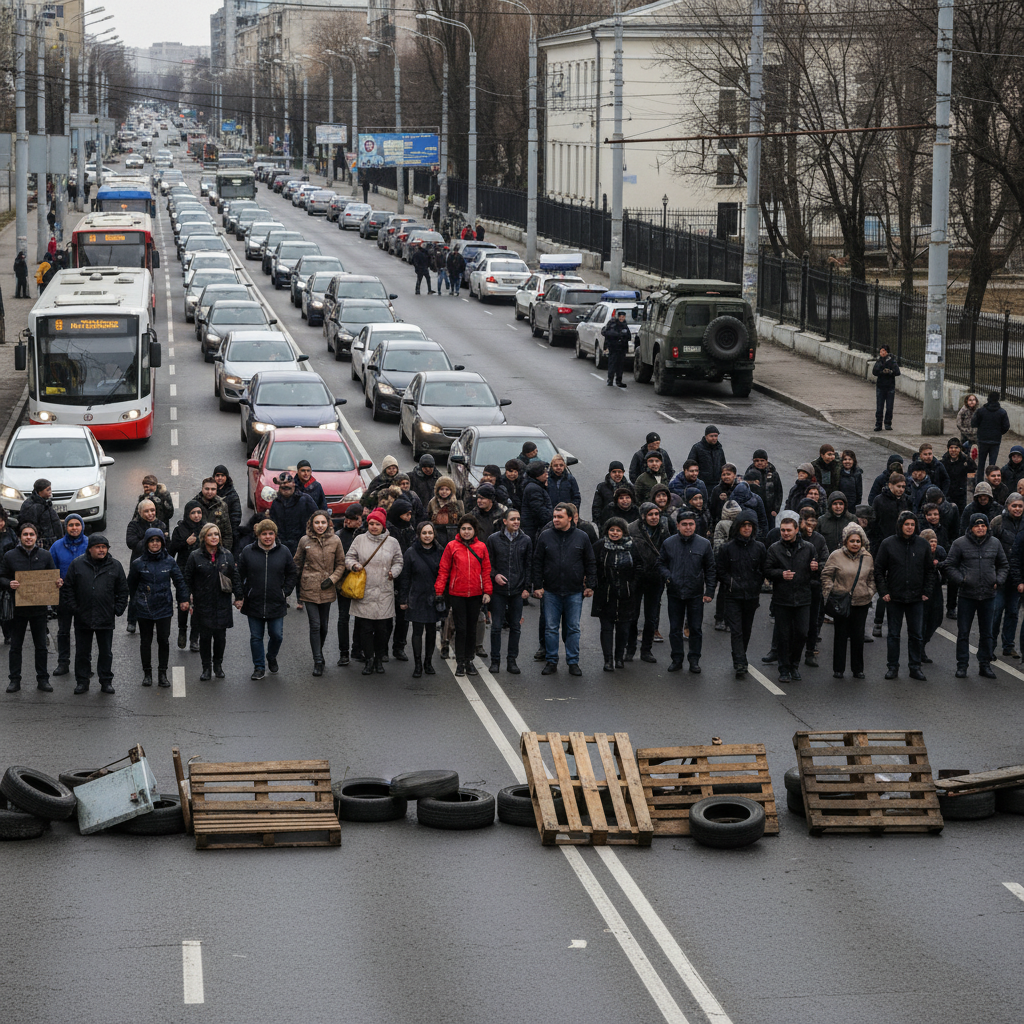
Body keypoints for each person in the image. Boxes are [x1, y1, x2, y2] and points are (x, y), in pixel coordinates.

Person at [533, 503, 596, 676]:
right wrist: (537, 586)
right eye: (554, 516)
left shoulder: (582, 537)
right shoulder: (545, 536)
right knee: (551, 627)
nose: (555, 520)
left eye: (559, 517)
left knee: (573, 628)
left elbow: (590, 561)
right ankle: (551, 661)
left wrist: (590, 584)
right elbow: (537, 562)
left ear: (570, 517)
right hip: (551, 591)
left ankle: (573, 662)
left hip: (574, 591)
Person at [944, 512, 1008, 678]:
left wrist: (998, 580)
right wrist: (962, 580)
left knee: (987, 633)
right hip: (967, 596)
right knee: (963, 632)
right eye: (977, 525)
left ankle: (984, 664)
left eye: (983, 525)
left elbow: (1003, 565)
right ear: (970, 527)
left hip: (988, 595)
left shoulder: (995, 543)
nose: (981, 528)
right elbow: (950, 566)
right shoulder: (959, 543)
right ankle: (962, 665)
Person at [873, 510, 935, 680]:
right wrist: (883, 592)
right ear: (900, 526)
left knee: (916, 634)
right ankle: (892, 667)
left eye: (912, 525)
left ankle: (915, 667)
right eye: (906, 524)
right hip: (894, 597)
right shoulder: (888, 544)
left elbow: (930, 571)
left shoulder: (922, 545)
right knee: (893, 635)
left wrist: (926, 592)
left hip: (916, 598)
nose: (909, 527)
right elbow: (878, 570)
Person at [1, 523, 62, 692]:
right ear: (20, 537)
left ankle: (43, 679)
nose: (28, 537)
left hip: (39, 609)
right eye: (25, 534)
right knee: (15, 647)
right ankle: (14, 680)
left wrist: (58, 582)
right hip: (18, 608)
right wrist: (8, 583)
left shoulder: (45, 555)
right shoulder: (10, 556)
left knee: (41, 646)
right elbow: (1, 577)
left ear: (36, 537)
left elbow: (53, 576)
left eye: (31, 534)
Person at [235, 519, 299, 680]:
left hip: (276, 602)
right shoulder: (248, 552)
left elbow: (292, 573)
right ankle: (259, 667)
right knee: (256, 637)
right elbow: (238, 575)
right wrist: (241, 595)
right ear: (258, 535)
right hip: (253, 602)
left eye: (271, 533)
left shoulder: (284, 551)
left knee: (277, 635)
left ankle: (271, 656)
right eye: (264, 534)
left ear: (275, 535)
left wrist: (285, 591)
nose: (267, 537)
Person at [345, 507, 404, 675]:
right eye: (371, 523)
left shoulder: (392, 542)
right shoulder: (359, 540)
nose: (374, 527)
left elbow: (399, 560)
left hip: (384, 590)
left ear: (383, 525)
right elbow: (349, 557)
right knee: (365, 629)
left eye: (377, 524)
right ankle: (369, 660)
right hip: (364, 590)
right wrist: (354, 565)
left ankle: (379, 659)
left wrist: (395, 572)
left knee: (382, 630)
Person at [127, 528, 188, 688]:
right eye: (152, 540)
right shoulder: (138, 563)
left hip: (164, 608)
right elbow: (130, 586)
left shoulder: (169, 561)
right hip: (144, 608)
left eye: (158, 540)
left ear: (162, 543)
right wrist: (134, 606)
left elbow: (179, 581)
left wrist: (183, 600)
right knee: (145, 641)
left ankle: (162, 674)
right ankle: (147, 674)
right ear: (147, 543)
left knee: (163, 640)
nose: (155, 543)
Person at [657, 510, 715, 673]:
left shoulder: (704, 544)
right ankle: (677, 659)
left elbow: (710, 568)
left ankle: (694, 659)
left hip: (695, 594)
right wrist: (669, 577)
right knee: (675, 629)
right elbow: (660, 564)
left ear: (695, 525)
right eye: (684, 524)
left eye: (691, 524)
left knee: (695, 628)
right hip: (675, 593)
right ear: (678, 525)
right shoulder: (669, 543)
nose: (688, 527)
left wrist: (709, 591)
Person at [435, 514, 492, 676]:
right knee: (461, 628)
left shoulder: (481, 547)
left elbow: (486, 571)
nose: (466, 532)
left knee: (472, 629)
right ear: (459, 530)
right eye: (463, 529)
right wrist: (439, 591)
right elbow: (444, 570)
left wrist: (487, 591)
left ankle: (469, 660)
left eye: (469, 529)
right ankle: (460, 662)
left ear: (475, 531)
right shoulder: (451, 546)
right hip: (457, 594)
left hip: (475, 594)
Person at [764, 512, 817, 683]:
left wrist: (817, 567)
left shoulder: (808, 548)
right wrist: (780, 574)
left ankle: (795, 664)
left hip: (803, 597)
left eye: (788, 530)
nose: (785, 533)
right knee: (784, 635)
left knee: (802, 633)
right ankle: (784, 668)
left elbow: (818, 567)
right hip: (782, 598)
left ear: (796, 530)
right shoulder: (775, 548)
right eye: (782, 530)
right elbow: (767, 570)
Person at [715, 509, 767, 678]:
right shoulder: (727, 548)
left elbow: (763, 569)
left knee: (746, 629)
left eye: (750, 525)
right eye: (744, 525)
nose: (746, 529)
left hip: (751, 596)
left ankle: (741, 655)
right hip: (733, 596)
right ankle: (739, 661)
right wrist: (731, 583)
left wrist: (758, 582)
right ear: (738, 527)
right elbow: (720, 570)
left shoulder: (759, 548)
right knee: (736, 630)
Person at [293, 511, 345, 675]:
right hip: (309, 588)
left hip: (327, 587)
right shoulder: (304, 541)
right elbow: (297, 564)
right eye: (317, 523)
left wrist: (333, 579)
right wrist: (290, 585)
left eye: (323, 522)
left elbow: (341, 564)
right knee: (315, 625)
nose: (320, 526)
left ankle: (319, 651)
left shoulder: (335, 540)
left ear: (328, 523)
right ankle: (318, 660)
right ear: (311, 524)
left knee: (324, 626)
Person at [821, 523, 875, 679]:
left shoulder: (867, 557)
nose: (855, 544)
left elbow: (872, 577)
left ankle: (858, 669)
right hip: (841, 603)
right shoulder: (836, 555)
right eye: (852, 541)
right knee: (840, 636)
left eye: (858, 541)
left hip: (861, 602)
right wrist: (830, 593)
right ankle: (838, 669)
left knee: (858, 637)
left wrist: (869, 592)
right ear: (845, 542)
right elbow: (826, 576)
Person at [183, 523, 235, 681]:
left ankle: (218, 665)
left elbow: (235, 577)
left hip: (222, 603)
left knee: (220, 637)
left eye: (216, 534)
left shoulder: (227, 555)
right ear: (204, 537)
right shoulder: (195, 556)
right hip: (203, 603)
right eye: (210, 535)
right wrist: (187, 598)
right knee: (205, 637)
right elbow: (187, 579)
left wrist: (239, 597)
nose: (214, 537)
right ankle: (206, 667)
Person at [485, 507, 532, 674]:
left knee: (515, 627)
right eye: (513, 519)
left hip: (517, 591)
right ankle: (495, 661)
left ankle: (512, 661)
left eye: (518, 519)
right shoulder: (493, 539)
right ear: (505, 521)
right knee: (496, 627)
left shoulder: (525, 540)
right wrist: (495, 575)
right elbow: (488, 564)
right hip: (498, 591)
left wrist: (527, 588)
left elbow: (528, 565)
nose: (516, 522)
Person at [399, 521, 446, 677]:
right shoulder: (411, 553)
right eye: (424, 533)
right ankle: (418, 664)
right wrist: (403, 599)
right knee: (417, 631)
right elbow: (405, 578)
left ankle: (428, 662)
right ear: (419, 535)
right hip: (417, 596)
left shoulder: (440, 551)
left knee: (432, 631)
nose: (427, 536)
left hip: (434, 597)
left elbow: (445, 574)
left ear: (434, 534)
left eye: (430, 533)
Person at [591, 518, 638, 671]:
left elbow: (639, 567)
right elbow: (592, 566)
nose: (615, 533)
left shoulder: (632, 547)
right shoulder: (599, 546)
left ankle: (619, 658)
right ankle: (608, 660)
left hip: (626, 595)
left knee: (624, 629)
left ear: (624, 532)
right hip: (605, 595)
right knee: (606, 629)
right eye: (612, 530)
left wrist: (632, 585)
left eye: (618, 530)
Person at [627, 502, 670, 661]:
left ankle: (646, 650)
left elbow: (668, 552)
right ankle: (630, 649)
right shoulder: (631, 529)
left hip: (655, 578)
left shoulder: (664, 529)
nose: (654, 518)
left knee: (651, 617)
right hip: (636, 578)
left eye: (656, 514)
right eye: (650, 514)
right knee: (633, 615)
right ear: (643, 515)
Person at [49, 514, 89, 676]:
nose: (74, 528)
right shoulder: (57, 546)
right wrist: (55, 579)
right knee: (63, 630)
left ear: (82, 526)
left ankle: (84, 664)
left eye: (77, 525)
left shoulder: (90, 544)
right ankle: (63, 663)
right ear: (65, 527)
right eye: (70, 525)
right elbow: (50, 568)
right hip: (63, 593)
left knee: (84, 631)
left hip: (84, 594)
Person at [989, 493, 1024, 658]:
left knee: (1013, 612)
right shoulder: (997, 522)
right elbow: (989, 547)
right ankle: (990, 645)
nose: (1017, 509)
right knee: (996, 612)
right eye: (1014, 506)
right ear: (1008, 506)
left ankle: (1008, 645)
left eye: (1020, 506)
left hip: (1018, 579)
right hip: (1000, 576)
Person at [170, 500, 205, 651]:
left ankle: (194, 638)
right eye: (193, 513)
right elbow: (171, 551)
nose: (196, 516)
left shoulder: (206, 528)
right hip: (183, 571)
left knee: (198, 606)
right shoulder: (180, 530)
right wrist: (185, 543)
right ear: (187, 514)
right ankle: (182, 631)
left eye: (199, 512)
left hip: (201, 573)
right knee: (183, 603)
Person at [797, 505, 829, 668]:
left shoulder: (819, 539)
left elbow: (826, 559)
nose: (811, 525)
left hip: (814, 585)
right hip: (796, 585)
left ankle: (810, 651)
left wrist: (819, 566)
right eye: (807, 522)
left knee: (812, 621)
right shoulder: (795, 537)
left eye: (813, 521)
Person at [334, 503, 364, 665]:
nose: (348, 522)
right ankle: (344, 653)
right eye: (347, 518)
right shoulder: (339, 536)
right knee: (343, 617)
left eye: (353, 519)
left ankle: (357, 649)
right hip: (343, 583)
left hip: (361, 582)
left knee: (360, 617)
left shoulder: (365, 534)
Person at [268, 472, 318, 563]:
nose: (285, 485)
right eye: (283, 483)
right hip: (281, 547)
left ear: (294, 483)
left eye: (288, 482)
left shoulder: (306, 500)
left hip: (302, 546)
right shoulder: (275, 502)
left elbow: (317, 519)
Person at [919, 527, 947, 664]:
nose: (933, 544)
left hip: (936, 590)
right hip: (922, 591)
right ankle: (919, 650)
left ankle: (923, 643)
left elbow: (947, 568)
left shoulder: (940, 552)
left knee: (937, 618)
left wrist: (940, 565)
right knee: (922, 621)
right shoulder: (918, 552)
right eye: (930, 542)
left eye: (934, 541)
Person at [18, 479, 63, 550]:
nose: (50, 492)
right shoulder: (32, 507)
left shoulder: (46, 502)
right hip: (42, 542)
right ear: (40, 492)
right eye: (47, 490)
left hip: (52, 540)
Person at [194, 477, 235, 552]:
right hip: (198, 549)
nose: (210, 492)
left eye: (213, 489)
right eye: (207, 489)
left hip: (217, 549)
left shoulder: (222, 505)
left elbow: (227, 532)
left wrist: (225, 551)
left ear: (216, 490)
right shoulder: (194, 504)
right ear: (202, 488)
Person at [972, 391, 1011, 470]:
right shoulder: (1002, 412)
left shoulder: (981, 411)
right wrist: (999, 432)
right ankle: (991, 481)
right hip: (995, 440)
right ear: (998, 399)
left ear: (988, 399)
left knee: (981, 464)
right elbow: (1006, 426)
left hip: (982, 440)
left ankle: (979, 480)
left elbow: (973, 423)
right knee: (992, 465)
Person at [745, 449, 784, 522]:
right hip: (754, 509)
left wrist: (776, 509)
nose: (759, 463)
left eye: (762, 460)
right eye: (756, 461)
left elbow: (778, 492)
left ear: (766, 461)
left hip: (770, 511)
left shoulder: (773, 474)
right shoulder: (749, 473)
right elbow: (745, 491)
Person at [941, 437, 976, 514]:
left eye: (956, 448)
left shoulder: (967, 462)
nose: (953, 450)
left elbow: (972, 477)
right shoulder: (943, 462)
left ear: (960, 449)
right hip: (948, 493)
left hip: (961, 494)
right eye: (951, 448)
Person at [427, 475, 465, 543]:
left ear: (451, 490)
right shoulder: (432, 502)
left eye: (447, 489)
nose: (444, 492)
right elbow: (428, 516)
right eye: (441, 489)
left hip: (453, 534)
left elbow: (462, 519)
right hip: (437, 534)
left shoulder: (458, 503)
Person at [521, 462, 553, 540]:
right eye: (544, 472)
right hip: (533, 529)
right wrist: (551, 519)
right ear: (537, 476)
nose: (546, 473)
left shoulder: (536, 485)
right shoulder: (533, 488)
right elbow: (539, 511)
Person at [872, 344, 900, 431]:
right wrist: (881, 371)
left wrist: (890, 372)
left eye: (883, 351)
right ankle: (878, 424)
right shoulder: (879, 361)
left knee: (889, 407)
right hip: (880, 387)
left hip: (890, 387)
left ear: (887, 352)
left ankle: (888, 423)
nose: (882, 353)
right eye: (881, 351)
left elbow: (897, 372)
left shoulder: (892, 361)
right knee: (879, 407)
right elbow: (874, 372)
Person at [602, 310, 631, 388]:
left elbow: (628, 336)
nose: (622, 318)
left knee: (620, 365)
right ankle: (610, 380)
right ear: (618, 317)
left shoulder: (624, 325)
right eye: (621, 317)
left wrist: (624, 337)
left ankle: (619, 380)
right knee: (612, 363)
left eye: (623, 317)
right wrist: (618, 335)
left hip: (622, 348)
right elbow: (606, 333)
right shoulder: (613, 324)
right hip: (614, 347)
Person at [213, 464, 244, 538]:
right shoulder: (209, 491)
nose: (220, 478)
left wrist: (230, 531)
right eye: (217, 475)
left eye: (222, 475)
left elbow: (236, 515)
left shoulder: (232, 494)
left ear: (226, 477)